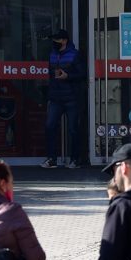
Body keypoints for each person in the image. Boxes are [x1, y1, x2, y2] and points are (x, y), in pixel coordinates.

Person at [44, 30, 84, 169]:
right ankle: (51, 159)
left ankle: (75, 159)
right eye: (54, 39)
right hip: (55, 97)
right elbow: (50, 75)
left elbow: (82, 74)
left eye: (57, 39)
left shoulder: (75, 54)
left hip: (71, 97)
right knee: (50, 126)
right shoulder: (52, 54)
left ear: (64, 40)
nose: (54, 42)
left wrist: (68, 76)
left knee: (73, 129)